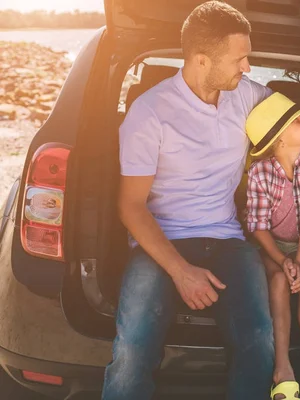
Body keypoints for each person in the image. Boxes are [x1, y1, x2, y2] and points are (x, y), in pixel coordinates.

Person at [101, 2, 275, 399]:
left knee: (259, 340)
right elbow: (130, 206)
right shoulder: (149, 114)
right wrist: (181, 271)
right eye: (239, 59)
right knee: (132, 349)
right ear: (200, 60)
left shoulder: (244, 95)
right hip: (162, 242)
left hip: (228, 239)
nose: (247, 68)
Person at [245, 93, 300, 400]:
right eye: (298, 120)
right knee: (279, 280)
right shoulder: (259, 171)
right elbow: (258, 227)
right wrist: (284, 261)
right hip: (272, 245)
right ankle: (282, 368)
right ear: (279, 140)